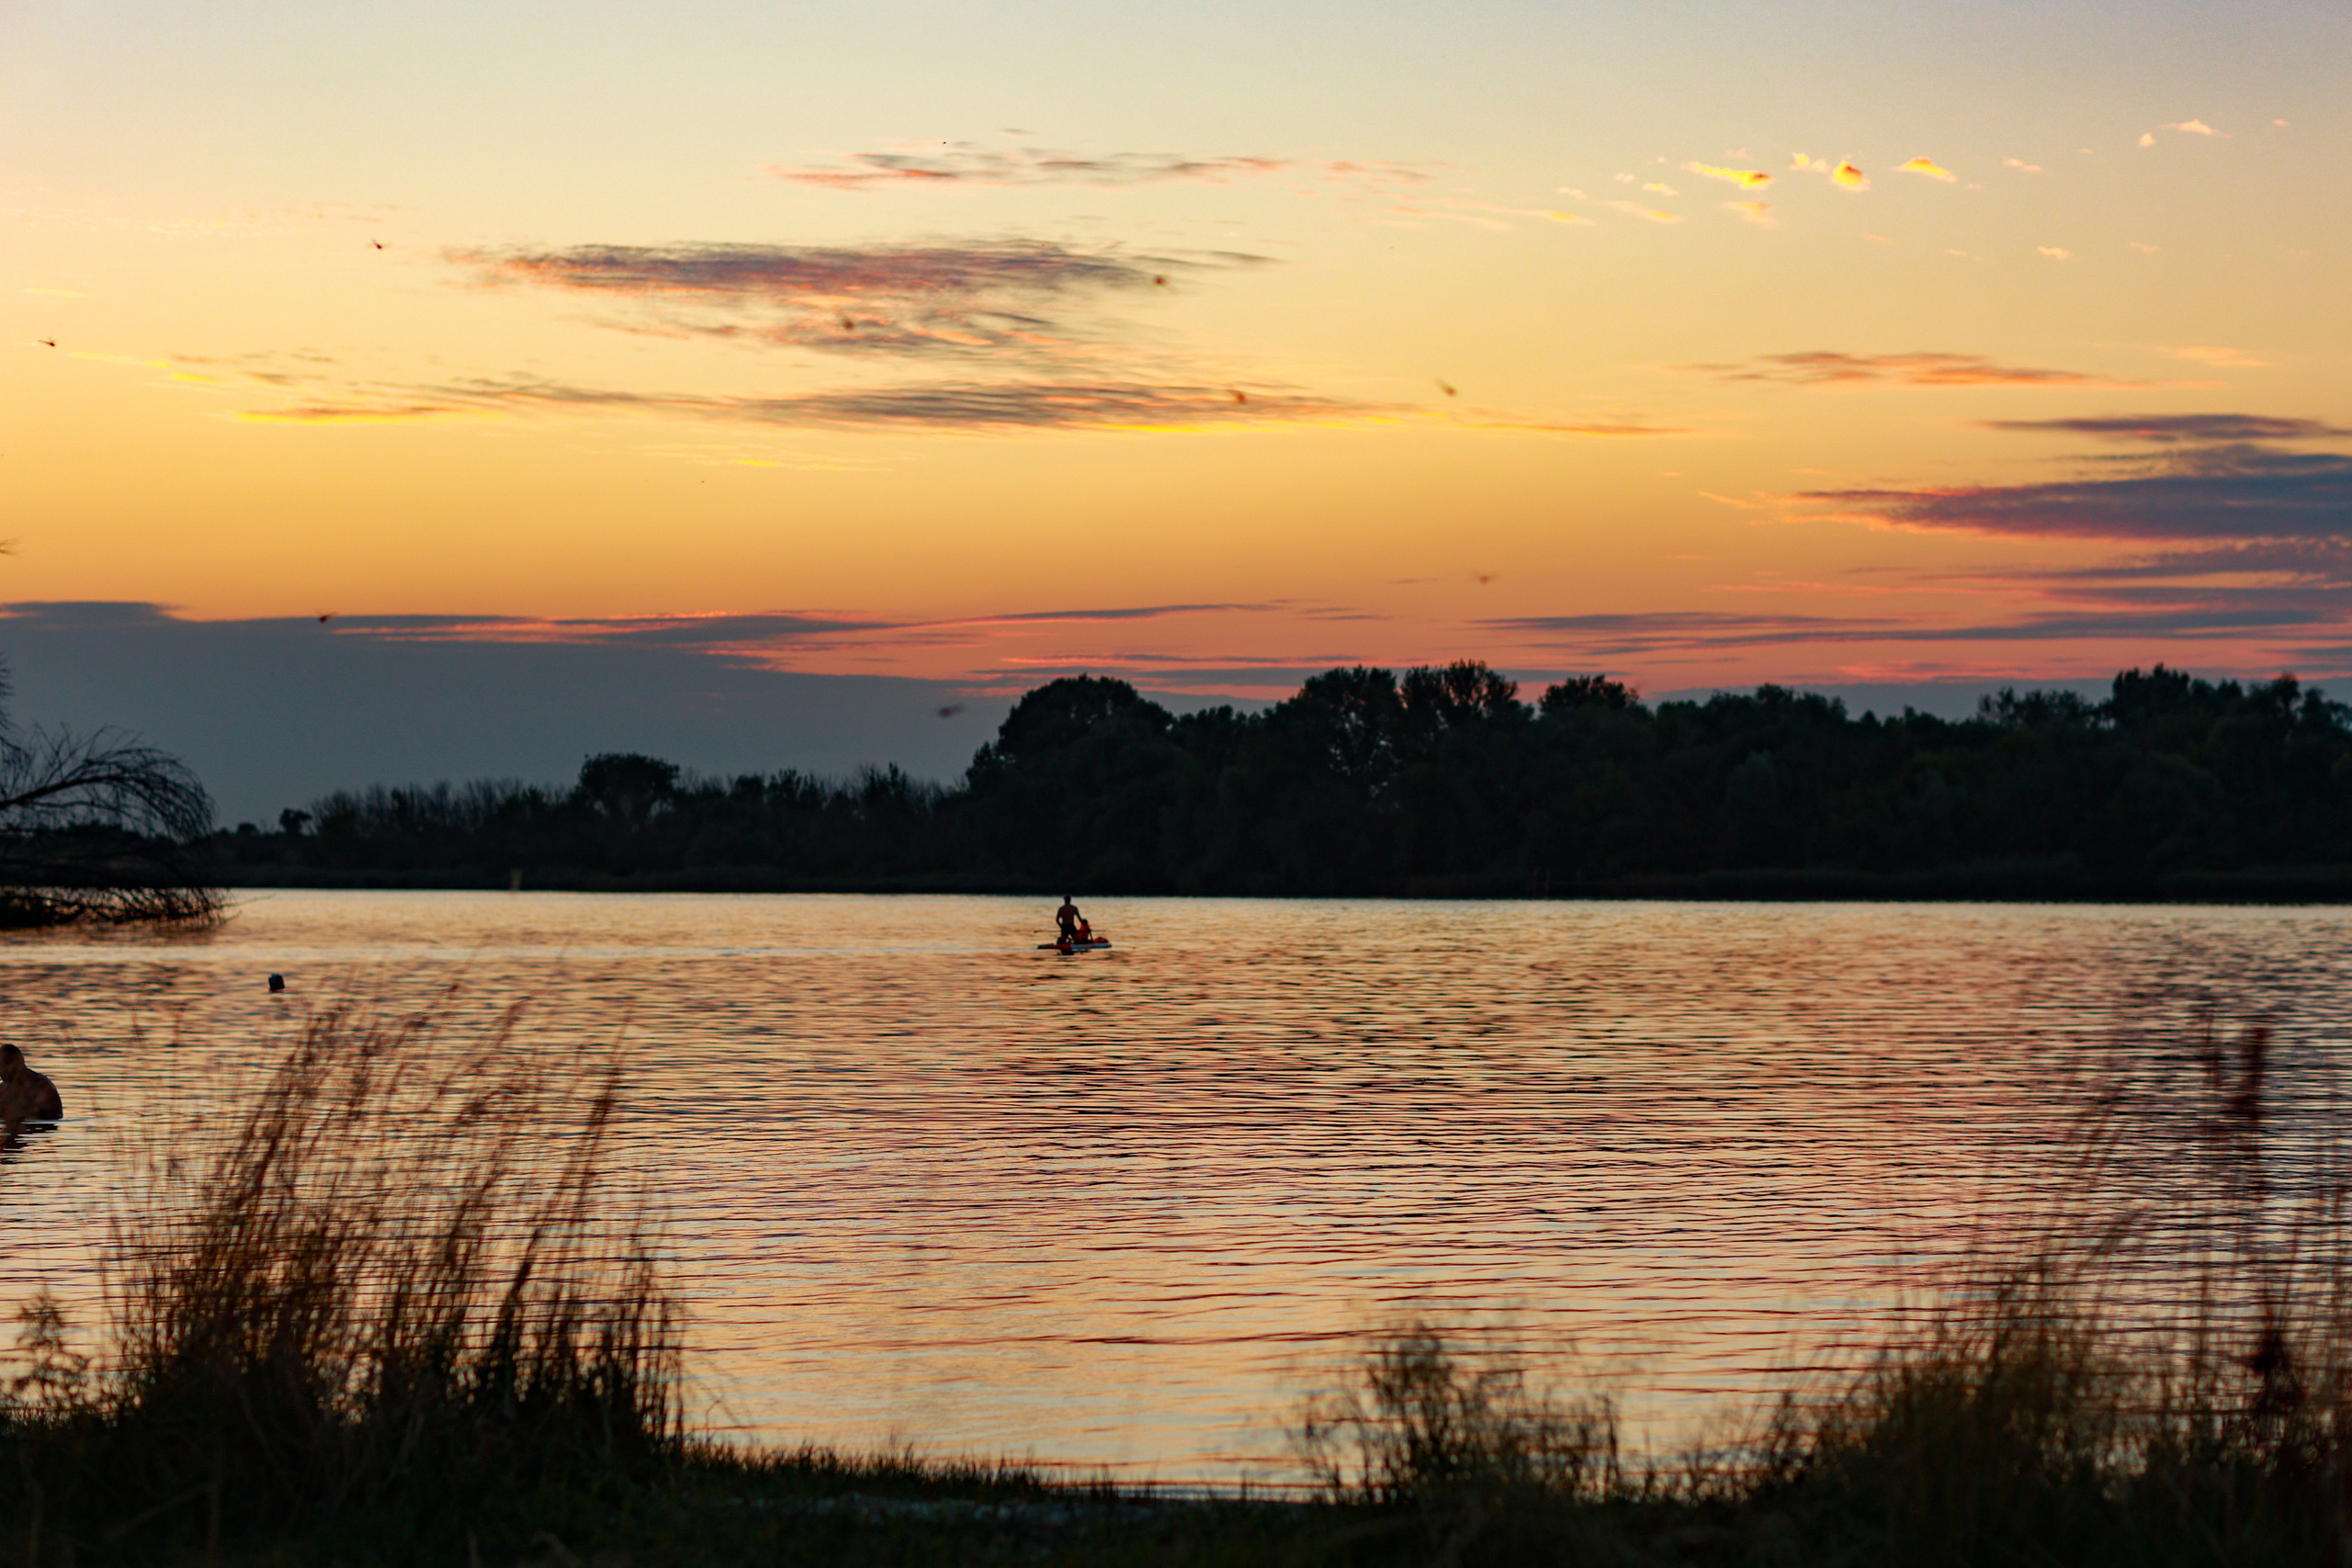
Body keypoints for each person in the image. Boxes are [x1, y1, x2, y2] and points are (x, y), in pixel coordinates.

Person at [0, 1044, 62, 1122]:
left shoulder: (43, 1088)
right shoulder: (2, 1089)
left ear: (18, 1063)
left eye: (5, 1064)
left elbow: (53, 1118)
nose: (2, 1070)